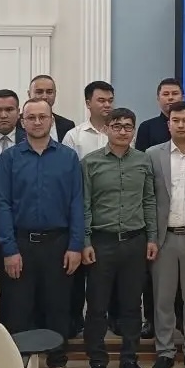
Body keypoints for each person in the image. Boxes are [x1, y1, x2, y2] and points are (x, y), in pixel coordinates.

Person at [0, 98, 84, 368]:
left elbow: (76, 203)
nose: (36, 122)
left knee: (58, 307)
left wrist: (75, 245)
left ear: (51, 120)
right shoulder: (9, 159)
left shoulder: (68, 158)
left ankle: (57, 364)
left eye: (42, 117)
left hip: (58, 244)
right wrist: (9, 249)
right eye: (31, 117)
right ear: (22, 121)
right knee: (18, 308)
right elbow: (2, 204)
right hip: (21, 244)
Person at [81, 108, 158, 368]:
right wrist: (85, 242)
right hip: (101, 243)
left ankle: (129, 360)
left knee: (131, 305)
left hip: (135, 242)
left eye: (128, 126)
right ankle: (97, 362)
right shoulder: (90, 163)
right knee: (97, 306)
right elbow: (84, 205)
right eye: (116, 126)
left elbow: (149, 200)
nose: (122, 131)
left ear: (134, 131)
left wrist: (152, 238)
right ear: (106, 129)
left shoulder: (143, 160)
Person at [146, 101, 185, 368]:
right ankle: (165, 351)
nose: (181, 125)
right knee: (163, 298)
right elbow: (147, 199)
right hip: (164, 238)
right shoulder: (152, 155)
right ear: (168, 124)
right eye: (176, 120)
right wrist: (150, 237)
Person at [61, 80, 115, 338]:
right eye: (101, 100)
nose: (106, 105)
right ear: (88, 103)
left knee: (109, 274)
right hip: (81, 209)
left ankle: (112, 319)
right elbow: (68, 175)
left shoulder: (120, 131)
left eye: (110, 100)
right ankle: (76, 320)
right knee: (79, 273)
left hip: (112, 213)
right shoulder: (74, 136)